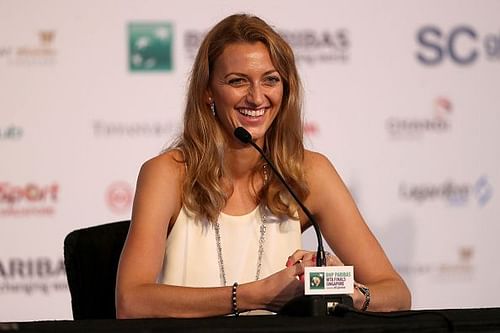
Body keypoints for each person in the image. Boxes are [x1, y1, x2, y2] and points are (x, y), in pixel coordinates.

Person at [115, 13, 411, 318]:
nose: (257, 98)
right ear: (207, 91)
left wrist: (344, 290)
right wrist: (254, 296)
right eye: (237, 81)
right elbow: (131, 301)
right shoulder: (168, 174)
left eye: (270, 80)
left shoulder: (309, 173)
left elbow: (396, 293)